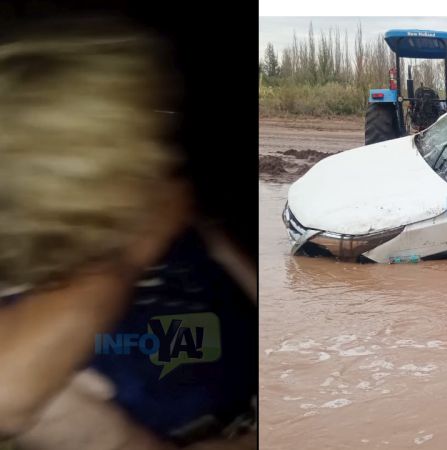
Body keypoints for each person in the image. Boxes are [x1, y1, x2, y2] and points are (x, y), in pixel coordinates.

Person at [0, 17, 256, 449]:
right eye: (139, 138)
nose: (162, 153)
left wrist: (210, 239)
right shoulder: (49, 366)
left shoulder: (160, 225)